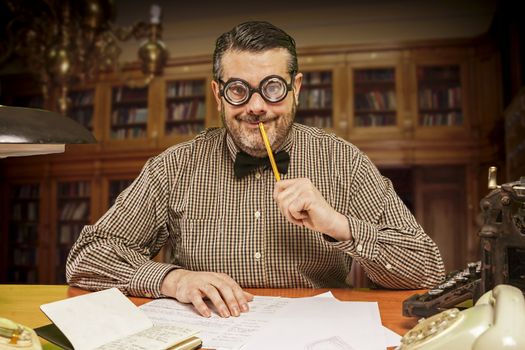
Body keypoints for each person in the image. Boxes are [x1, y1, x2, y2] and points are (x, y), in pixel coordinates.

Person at [67, 21, 445, 319]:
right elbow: (88, 257)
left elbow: (427, 270)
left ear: (296, 88)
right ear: (218, 94)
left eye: (273, 88)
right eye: (238, 90)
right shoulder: (174, 166)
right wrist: (173, 279)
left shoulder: (343, 161)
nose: (257, 106)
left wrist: (338, 225)